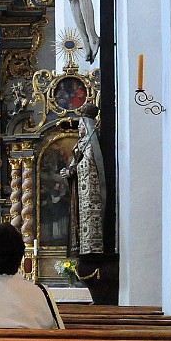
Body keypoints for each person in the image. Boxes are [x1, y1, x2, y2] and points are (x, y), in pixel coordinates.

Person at [61, 107, 106, 255]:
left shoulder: (92, 141)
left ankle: (90, 248)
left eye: (81, 124)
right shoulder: (81, 142)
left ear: (87, 125)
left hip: (88, 187)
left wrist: (71, 171)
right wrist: (69, 170)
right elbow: (75, 161)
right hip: (78, 187)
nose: (79, 127)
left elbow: (88, 162)